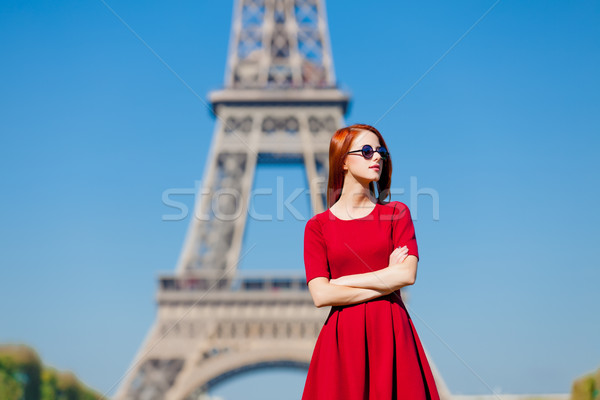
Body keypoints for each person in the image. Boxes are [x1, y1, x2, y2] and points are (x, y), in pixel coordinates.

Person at [301, 124, 440, 399]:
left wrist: (343, 283)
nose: (376, 157)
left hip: (391, 336)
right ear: (342, 161)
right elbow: (320, 294)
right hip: (343, 343)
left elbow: (406, 275)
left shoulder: (397, 213)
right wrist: (385, 275)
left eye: (380, 152)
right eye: (366, 151)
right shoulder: (317, 227)